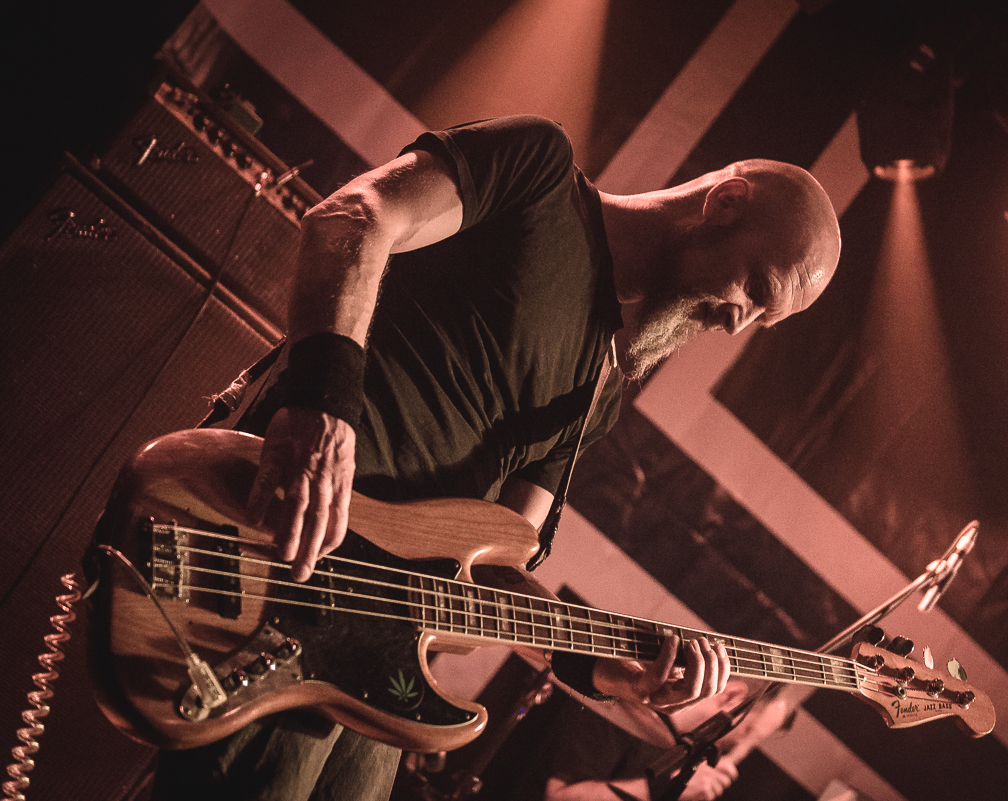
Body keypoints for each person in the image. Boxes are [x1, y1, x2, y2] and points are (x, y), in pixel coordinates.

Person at [150, 114, 840, 800]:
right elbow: (355, 217)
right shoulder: (538, 174)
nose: (737, 323)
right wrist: (322, 407)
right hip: (286, 554)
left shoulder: (598, 391)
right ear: (725, 204)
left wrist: (612, 671)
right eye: (755, 289)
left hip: (379, 653)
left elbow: (494, 571)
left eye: (763, 319)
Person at [541, 681, 794, 801]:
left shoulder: (691, 757)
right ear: (732, 696)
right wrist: (660, 787)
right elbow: (558, 798)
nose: (740, 747)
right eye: (747, 731)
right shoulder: (621, 710)